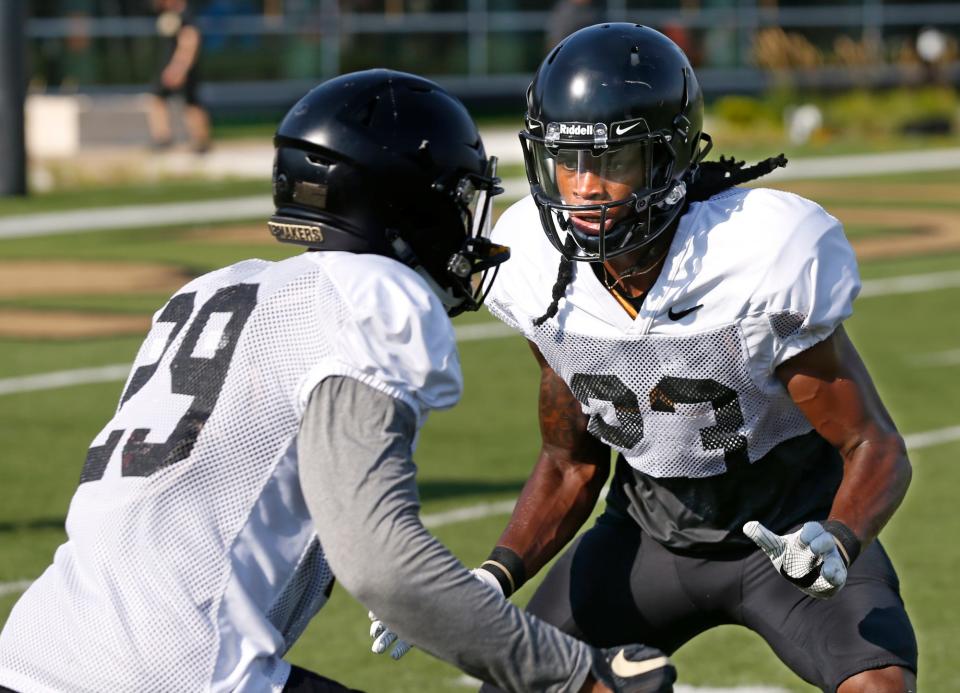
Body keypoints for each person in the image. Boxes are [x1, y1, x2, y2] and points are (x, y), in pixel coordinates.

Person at [0, 69, 675, 693]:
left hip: (35, 651)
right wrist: (568, 673)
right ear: (409, 203)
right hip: (172, 672)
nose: (469, 223)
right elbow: (382, 564)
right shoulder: (371, 296)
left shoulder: (216, 290)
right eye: (458, 197)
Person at [461, 24, 916, 693]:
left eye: (612, 162)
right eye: (568, 160)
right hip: (651, 535)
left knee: (878, 686)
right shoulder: (536, 266)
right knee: (523, 680)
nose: (583, 187)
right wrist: (494, 574)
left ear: (667, 159)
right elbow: (569, 460)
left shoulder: (758, 254)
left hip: (788, 526)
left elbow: (874, 443)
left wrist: (839, 536)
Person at [148, 0, 211, 153]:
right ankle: (164, 138)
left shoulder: (186, 14)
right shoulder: (170, 13)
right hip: (172, 65)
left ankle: (198, 141)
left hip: (180, 66)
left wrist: (179, 68)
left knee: (190, 103)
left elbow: (190, 41)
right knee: (162, 100)